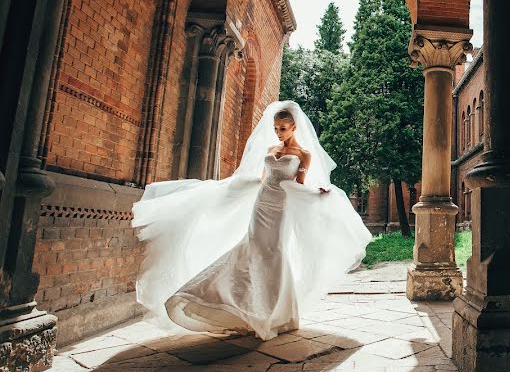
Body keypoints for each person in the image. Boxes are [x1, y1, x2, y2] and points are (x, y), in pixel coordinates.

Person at [132, 101, 372, 340]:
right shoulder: (270, 150)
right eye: (276, 128)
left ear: (294, 128)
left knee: (274, 251)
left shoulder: (303, 155)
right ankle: (235, 304)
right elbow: (263, 178)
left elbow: (299, 185)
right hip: (263, 203)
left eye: (282, 128)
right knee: (251, 247)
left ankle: (275, 313)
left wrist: (315, 193)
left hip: (283, 206)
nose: (278, 133)